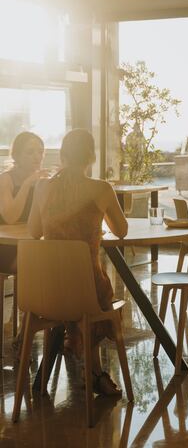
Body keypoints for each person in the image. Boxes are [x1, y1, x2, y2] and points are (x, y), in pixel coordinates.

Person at [28, 129, 128, 396]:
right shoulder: (101, 189)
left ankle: (87, 365)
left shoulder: (42, 188)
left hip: (46, 289)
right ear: (91, 157)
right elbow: (121, 231)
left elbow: (33, 232)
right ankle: (94, 372)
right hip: (86, 290)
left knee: (79, 285)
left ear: (61, 155)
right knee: (92, 288)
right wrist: (98, 219)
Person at [0, 132, 46, 274]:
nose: (37, 157)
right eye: (30, 152)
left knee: (62, 254)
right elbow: (10, 218)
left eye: (40, 152)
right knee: (46, 259)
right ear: (16, 156)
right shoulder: (5, 179)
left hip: (30, 242)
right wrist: (27, 183)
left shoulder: (42, 181)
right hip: (6, 247)